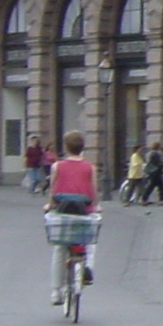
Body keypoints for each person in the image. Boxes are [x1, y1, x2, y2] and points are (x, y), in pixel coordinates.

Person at [46, 131, 97, 306]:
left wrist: (49, 205)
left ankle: (56, 291)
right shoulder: (90, 167)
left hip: (63, 211)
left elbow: (53, 190)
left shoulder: (57, 166)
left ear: (66, 147)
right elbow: (93, 191)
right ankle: (87, 268)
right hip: (84, 211)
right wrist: (96, 207)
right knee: (90, 243)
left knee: (59, 249)